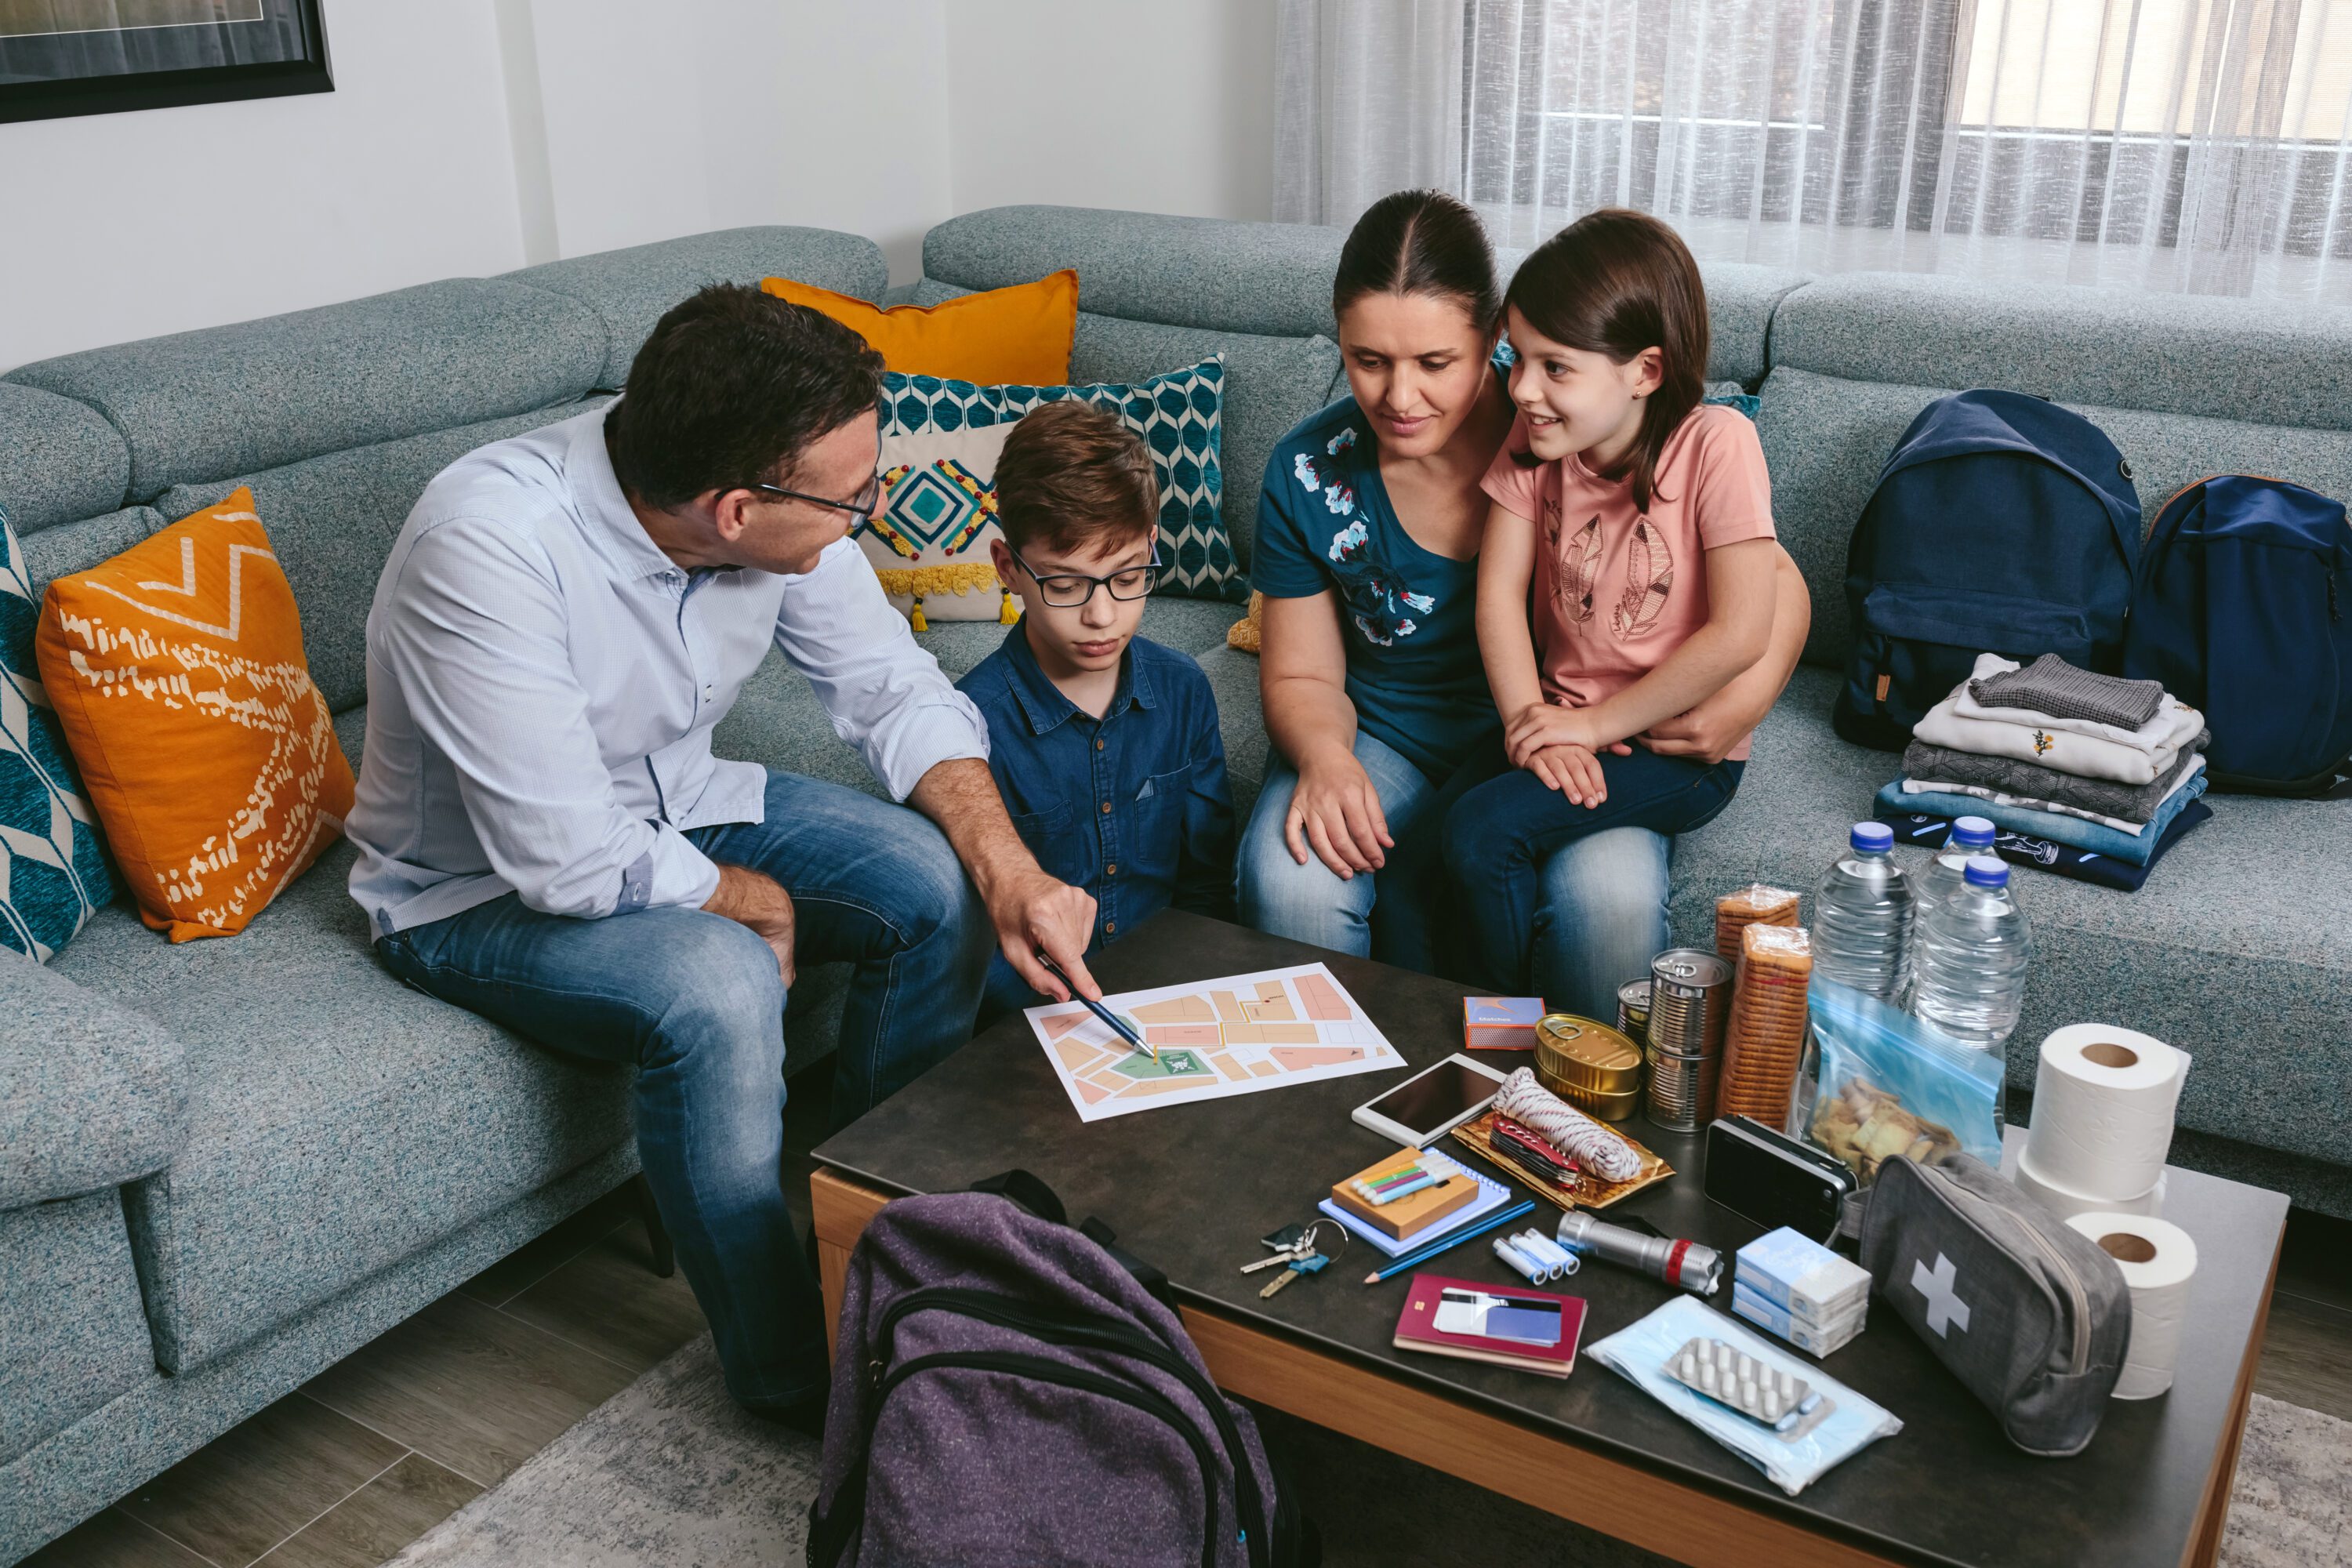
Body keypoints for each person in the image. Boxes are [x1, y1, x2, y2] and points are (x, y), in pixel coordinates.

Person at [345, 284, 1099, 1431]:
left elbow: (893, 688)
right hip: (473, 892)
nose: (873, 514)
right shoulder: (490, 546)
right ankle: (795, 1378)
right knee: (723, 981)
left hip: (680, 806)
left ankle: (891, 1255)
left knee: (930, 883)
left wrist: (1010, 870)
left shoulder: (762, 496)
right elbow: (562, 857)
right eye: (857, 498)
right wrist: (742, 897)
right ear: (739, 510)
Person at [1237, 189, 1809, 1014]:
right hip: (1414, 730)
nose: (1400, 396)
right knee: (1293, 879)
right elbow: (1305, 675)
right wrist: (1328, 759)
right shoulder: (1311, 470)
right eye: (1368, 359)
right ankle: (1369, 1092)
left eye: (1436, 363)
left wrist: (1744, 696)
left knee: (1602, 903)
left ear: (1489, 339)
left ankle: (1570, 1109)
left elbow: (1766, 586)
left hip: (1595, 727)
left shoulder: (1559, 409)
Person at [1443, 209, 1779, 993]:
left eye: (1554, 367)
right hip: (1560, 716)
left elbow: (1741, 631)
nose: (1521, 388)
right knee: (1419, 840)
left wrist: (1591, 726)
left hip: (1671, 748)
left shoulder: (1718, 445)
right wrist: (1534, 725)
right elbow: (1496, 594)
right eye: (1516, 358)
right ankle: (1425, 1029)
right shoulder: (1534, 444)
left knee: (1481, 832)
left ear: (1646, 371)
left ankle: (1504, 1051)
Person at [957, 402, 1236, 1023]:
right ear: (1009, 568)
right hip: (1030, 1018)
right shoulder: (968, 724)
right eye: (1064, 584)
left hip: (1171, 999)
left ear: (1152, 548)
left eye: (1127, 576)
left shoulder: (1184, 689)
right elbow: (969, 939)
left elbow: (1206, 886)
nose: (1102, 616)